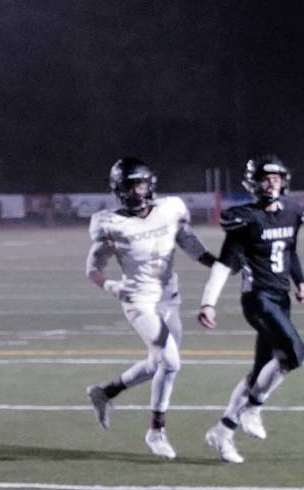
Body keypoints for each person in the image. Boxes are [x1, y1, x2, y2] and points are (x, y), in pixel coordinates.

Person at [85, 157, 216, 459]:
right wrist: (111, 286)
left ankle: (105, 393)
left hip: (169, 297)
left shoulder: (170, 209)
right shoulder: (110, 223)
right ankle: (156, 431)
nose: (136, 192)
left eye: (140, 184)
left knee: (158, 363)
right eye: (129, 186)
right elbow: (93, 269)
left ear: (150, 184)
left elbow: (190, 244)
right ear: (119, 190)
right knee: (171, 362)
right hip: (138, 300)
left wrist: (218, 264)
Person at [197, 155, 304, 464]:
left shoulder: (292, 212)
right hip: (257, 299)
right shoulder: (244, 218)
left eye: (276, 176)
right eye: (265, 177)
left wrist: (300, 281)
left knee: (261, 369)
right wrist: (208, 302)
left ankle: (222, 432)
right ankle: (255, 407)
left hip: (281, 297)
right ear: (253, 183)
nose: (272, 181)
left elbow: (290, 251)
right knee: (295, 353)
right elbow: (225, 264)